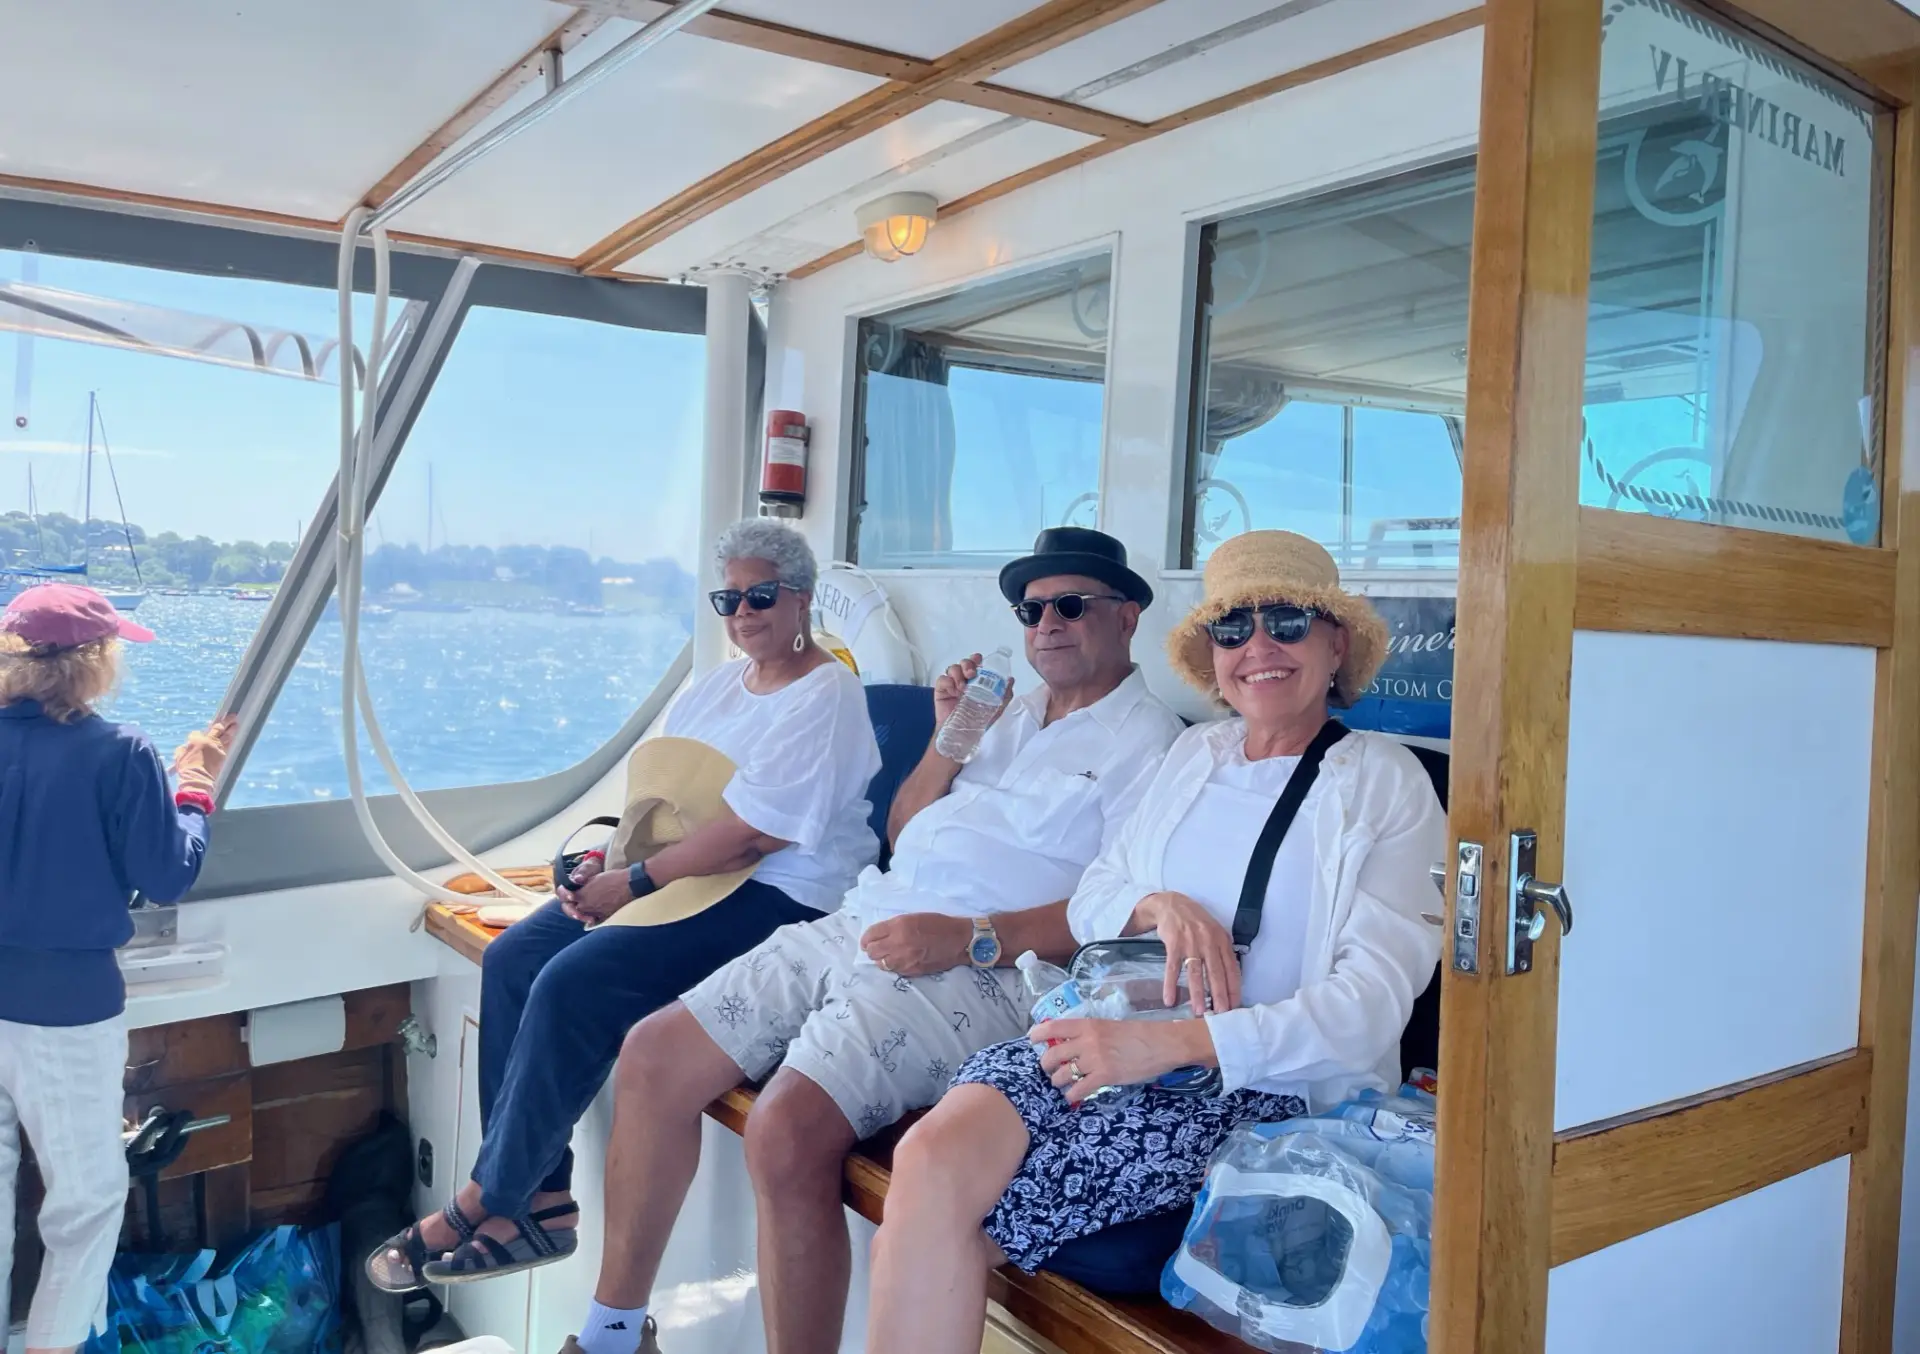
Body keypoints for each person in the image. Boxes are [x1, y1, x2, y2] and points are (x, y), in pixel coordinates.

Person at [554, 528, 1184, 1354]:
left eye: (1070, 605)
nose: (1046, 625)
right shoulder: (1003, 711)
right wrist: (952, 735)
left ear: (1128, 616)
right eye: (1030, 610)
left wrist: (970, 938)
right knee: (652, 1054)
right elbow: (905, 827)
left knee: (784, 1131)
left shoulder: (1155, 744)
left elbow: (1116, 915)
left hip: (986, 968)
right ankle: (611, 1336)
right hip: (866, 920)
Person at [863, 530, 1447, 1354]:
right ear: (1212, 652)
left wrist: (1165, 1046)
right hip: (1103, 1030)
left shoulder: (1384, 781)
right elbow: (1097, 895)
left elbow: (1368, 1010)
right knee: (927, 1158)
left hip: (1253, 1087)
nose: (1259, 648)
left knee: (921, 1232)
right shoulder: (1195, 753)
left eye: (1286, 621)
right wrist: (1159, 905)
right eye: (1232, 629)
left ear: (1335, 641)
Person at [367, 519, 882, 1290]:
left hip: (781, 896)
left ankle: (489, 1198)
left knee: (576, 982)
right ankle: (543, 1199)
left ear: (802, 599)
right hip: (691, 876)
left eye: (761, 596)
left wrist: (634, 886)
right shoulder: (717, 688)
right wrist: (597, 867)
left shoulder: (827, 695)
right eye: (728, 599)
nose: (743, 613)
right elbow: (663, 801)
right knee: (515, 958)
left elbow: (753, 838)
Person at [0, 583, 235, 1354]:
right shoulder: (120, 752)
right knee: (87, 1205)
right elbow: (166, 875)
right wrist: (194, 785)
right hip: (65, 1012)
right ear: (98, 661)